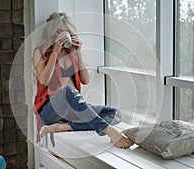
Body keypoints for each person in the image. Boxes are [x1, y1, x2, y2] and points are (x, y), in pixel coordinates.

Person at [33, 12, 133, 149]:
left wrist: (78, 52)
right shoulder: (40, 52)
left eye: (66, 31)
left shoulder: (72, 53)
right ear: (51, 33)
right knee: (68, 90)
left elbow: (85, 80)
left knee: (115, 114)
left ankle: (65, 127)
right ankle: (108, 130)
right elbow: (43, 80)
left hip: (73, 110)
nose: (62, 34)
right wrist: (55, 51)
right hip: (51, 111)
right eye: (59, 31)